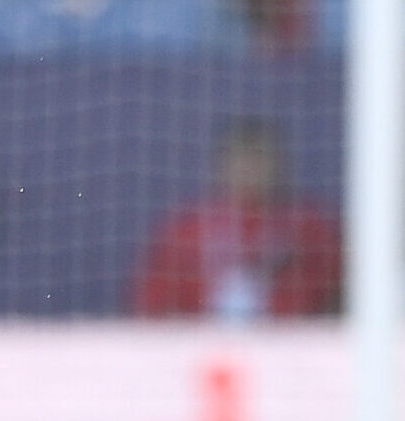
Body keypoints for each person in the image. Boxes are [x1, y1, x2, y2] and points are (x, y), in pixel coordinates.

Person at [134, 117, 338, 320]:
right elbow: (153, 301)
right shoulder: (187, 227)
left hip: (294, 344)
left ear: (279, 163)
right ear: (221, 164)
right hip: (198, 344)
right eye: (241, 158)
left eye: (259, 158)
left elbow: (340, 294)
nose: (250, 168)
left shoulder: (310, 227)